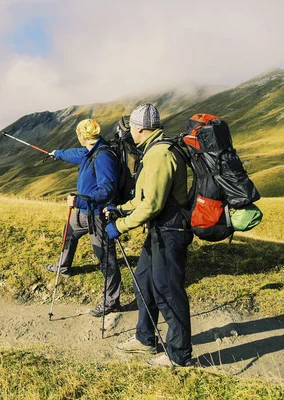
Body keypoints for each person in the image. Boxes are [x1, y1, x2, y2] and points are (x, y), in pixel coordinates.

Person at [105, 104, 193, 367]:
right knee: (145, 281)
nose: (129, 132)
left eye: (131, 127)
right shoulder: (154, 151)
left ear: (140, 128)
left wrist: (120, 226)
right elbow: (144, 198)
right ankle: (145, 339)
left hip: (170, 231)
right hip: (159, 231)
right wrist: (119, 209)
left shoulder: (159, 155)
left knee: (167, 290)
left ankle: (179, 354)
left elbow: (152, 205)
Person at [47, 118, 122, 317]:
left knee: (106, 258)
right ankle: (62, 266)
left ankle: (111, 302)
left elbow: (107, 190)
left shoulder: (103, 156)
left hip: (97, 214)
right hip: (83, 211)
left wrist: (80, 202)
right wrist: (57, 154)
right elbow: (75, 154)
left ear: (83, 135)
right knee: (69, 234)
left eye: (79, 134)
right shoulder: (90, 150)